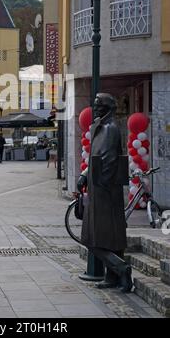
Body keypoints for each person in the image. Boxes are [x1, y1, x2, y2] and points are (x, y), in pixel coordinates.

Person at [77, 93, 132, 292]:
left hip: (104, 192)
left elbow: (108, 162)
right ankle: (114, 277)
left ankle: (122, 268)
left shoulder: (110, 129)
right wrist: (84, 174)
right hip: (98, 188)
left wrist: (101, 187)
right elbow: (95, 157)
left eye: (99, 105)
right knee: (110, 237)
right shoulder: (99, 128)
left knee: (92, 238)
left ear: (108, 108)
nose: (95, 108)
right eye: (94, 105)